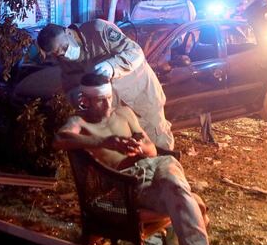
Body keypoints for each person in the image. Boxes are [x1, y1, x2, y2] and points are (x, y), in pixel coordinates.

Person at [53, 73, 215, 245]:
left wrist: (139, 147)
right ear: (85, 100)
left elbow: (152, 150)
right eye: (100, 100)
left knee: (174, 179)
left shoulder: (124, 113)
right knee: (190, 200)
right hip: (128, 184)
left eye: (109, 98)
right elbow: (59, 139)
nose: (107, 105)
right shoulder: (79, 122)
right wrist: (106, 142)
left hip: (157, 165)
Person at [37, 19, 174, 149]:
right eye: (58, 53)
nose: (64, 54)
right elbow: (69, 87)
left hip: (141, 98)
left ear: (68, 32)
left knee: (157, 143)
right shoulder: (64, 60)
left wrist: (112, 66)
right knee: (131, 150)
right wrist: (77, 95)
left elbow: (135, 52)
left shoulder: (98, 31)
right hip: (115, 111)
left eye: (64, 47)